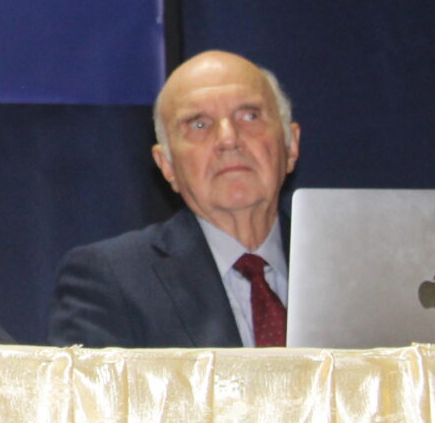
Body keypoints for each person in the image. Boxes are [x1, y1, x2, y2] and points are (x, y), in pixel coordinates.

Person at [48, 49, 301, 348]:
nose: (229, 138)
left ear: (291, 146)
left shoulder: (347, 266)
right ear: (167, 165)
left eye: (250, 116)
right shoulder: (111, 280)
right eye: (199, 124)